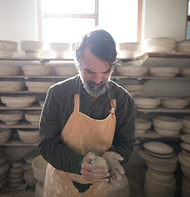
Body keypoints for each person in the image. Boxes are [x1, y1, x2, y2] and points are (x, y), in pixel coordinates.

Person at [39, 29, 135, 197]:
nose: (98, 80)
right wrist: (78, 163)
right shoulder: (58, 94)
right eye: (90, 71)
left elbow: (126, 142)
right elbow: (47, 144)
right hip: (61, 183)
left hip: (97, 185)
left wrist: (116, 155)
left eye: (105, 72)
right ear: (78, 64)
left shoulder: (123, 99)